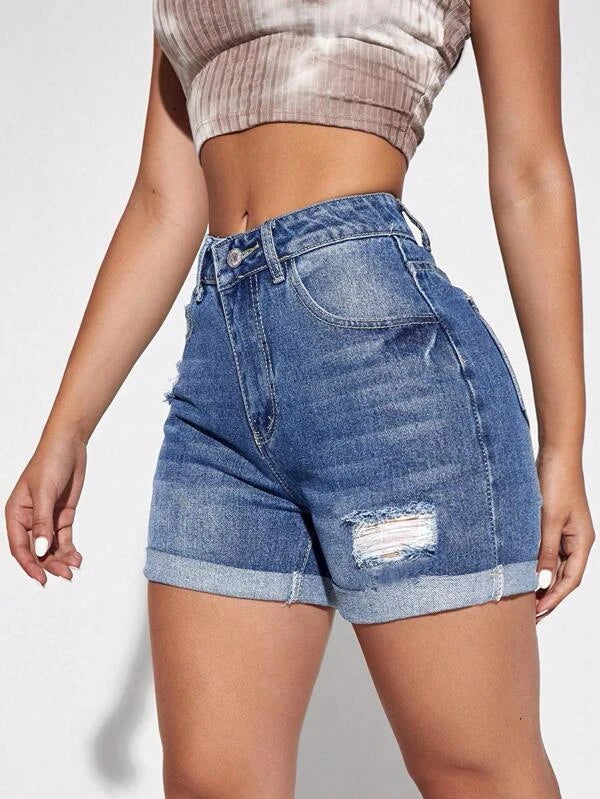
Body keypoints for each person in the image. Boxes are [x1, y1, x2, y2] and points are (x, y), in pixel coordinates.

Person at [5, 1, 595, 797]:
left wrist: (564, 445)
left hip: (387, 366)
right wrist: (66, 427)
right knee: (211, 781)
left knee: (476, 772)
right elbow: (163, 199)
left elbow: (530, 174)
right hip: (217, 385)